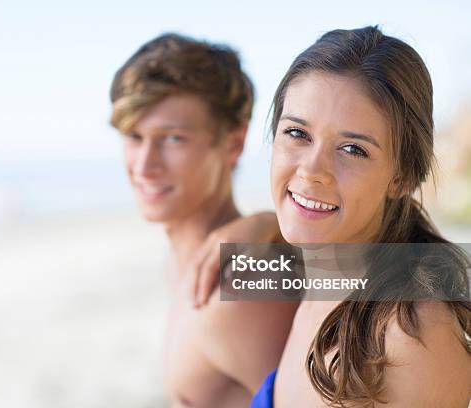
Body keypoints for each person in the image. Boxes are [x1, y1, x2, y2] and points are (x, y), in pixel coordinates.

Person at [189, 26, 471, 407]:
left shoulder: (412, 334)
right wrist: (263, 222)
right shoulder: (317, 275)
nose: (311, 170)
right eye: (297, 133)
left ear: (401, 177)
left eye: (353, 149)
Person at [109, 33, 298, 407]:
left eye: (174, 138)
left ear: (233, 142)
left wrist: (277, 222)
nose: (145, 165)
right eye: (134, 136)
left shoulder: (239, 287)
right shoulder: (182, 266)